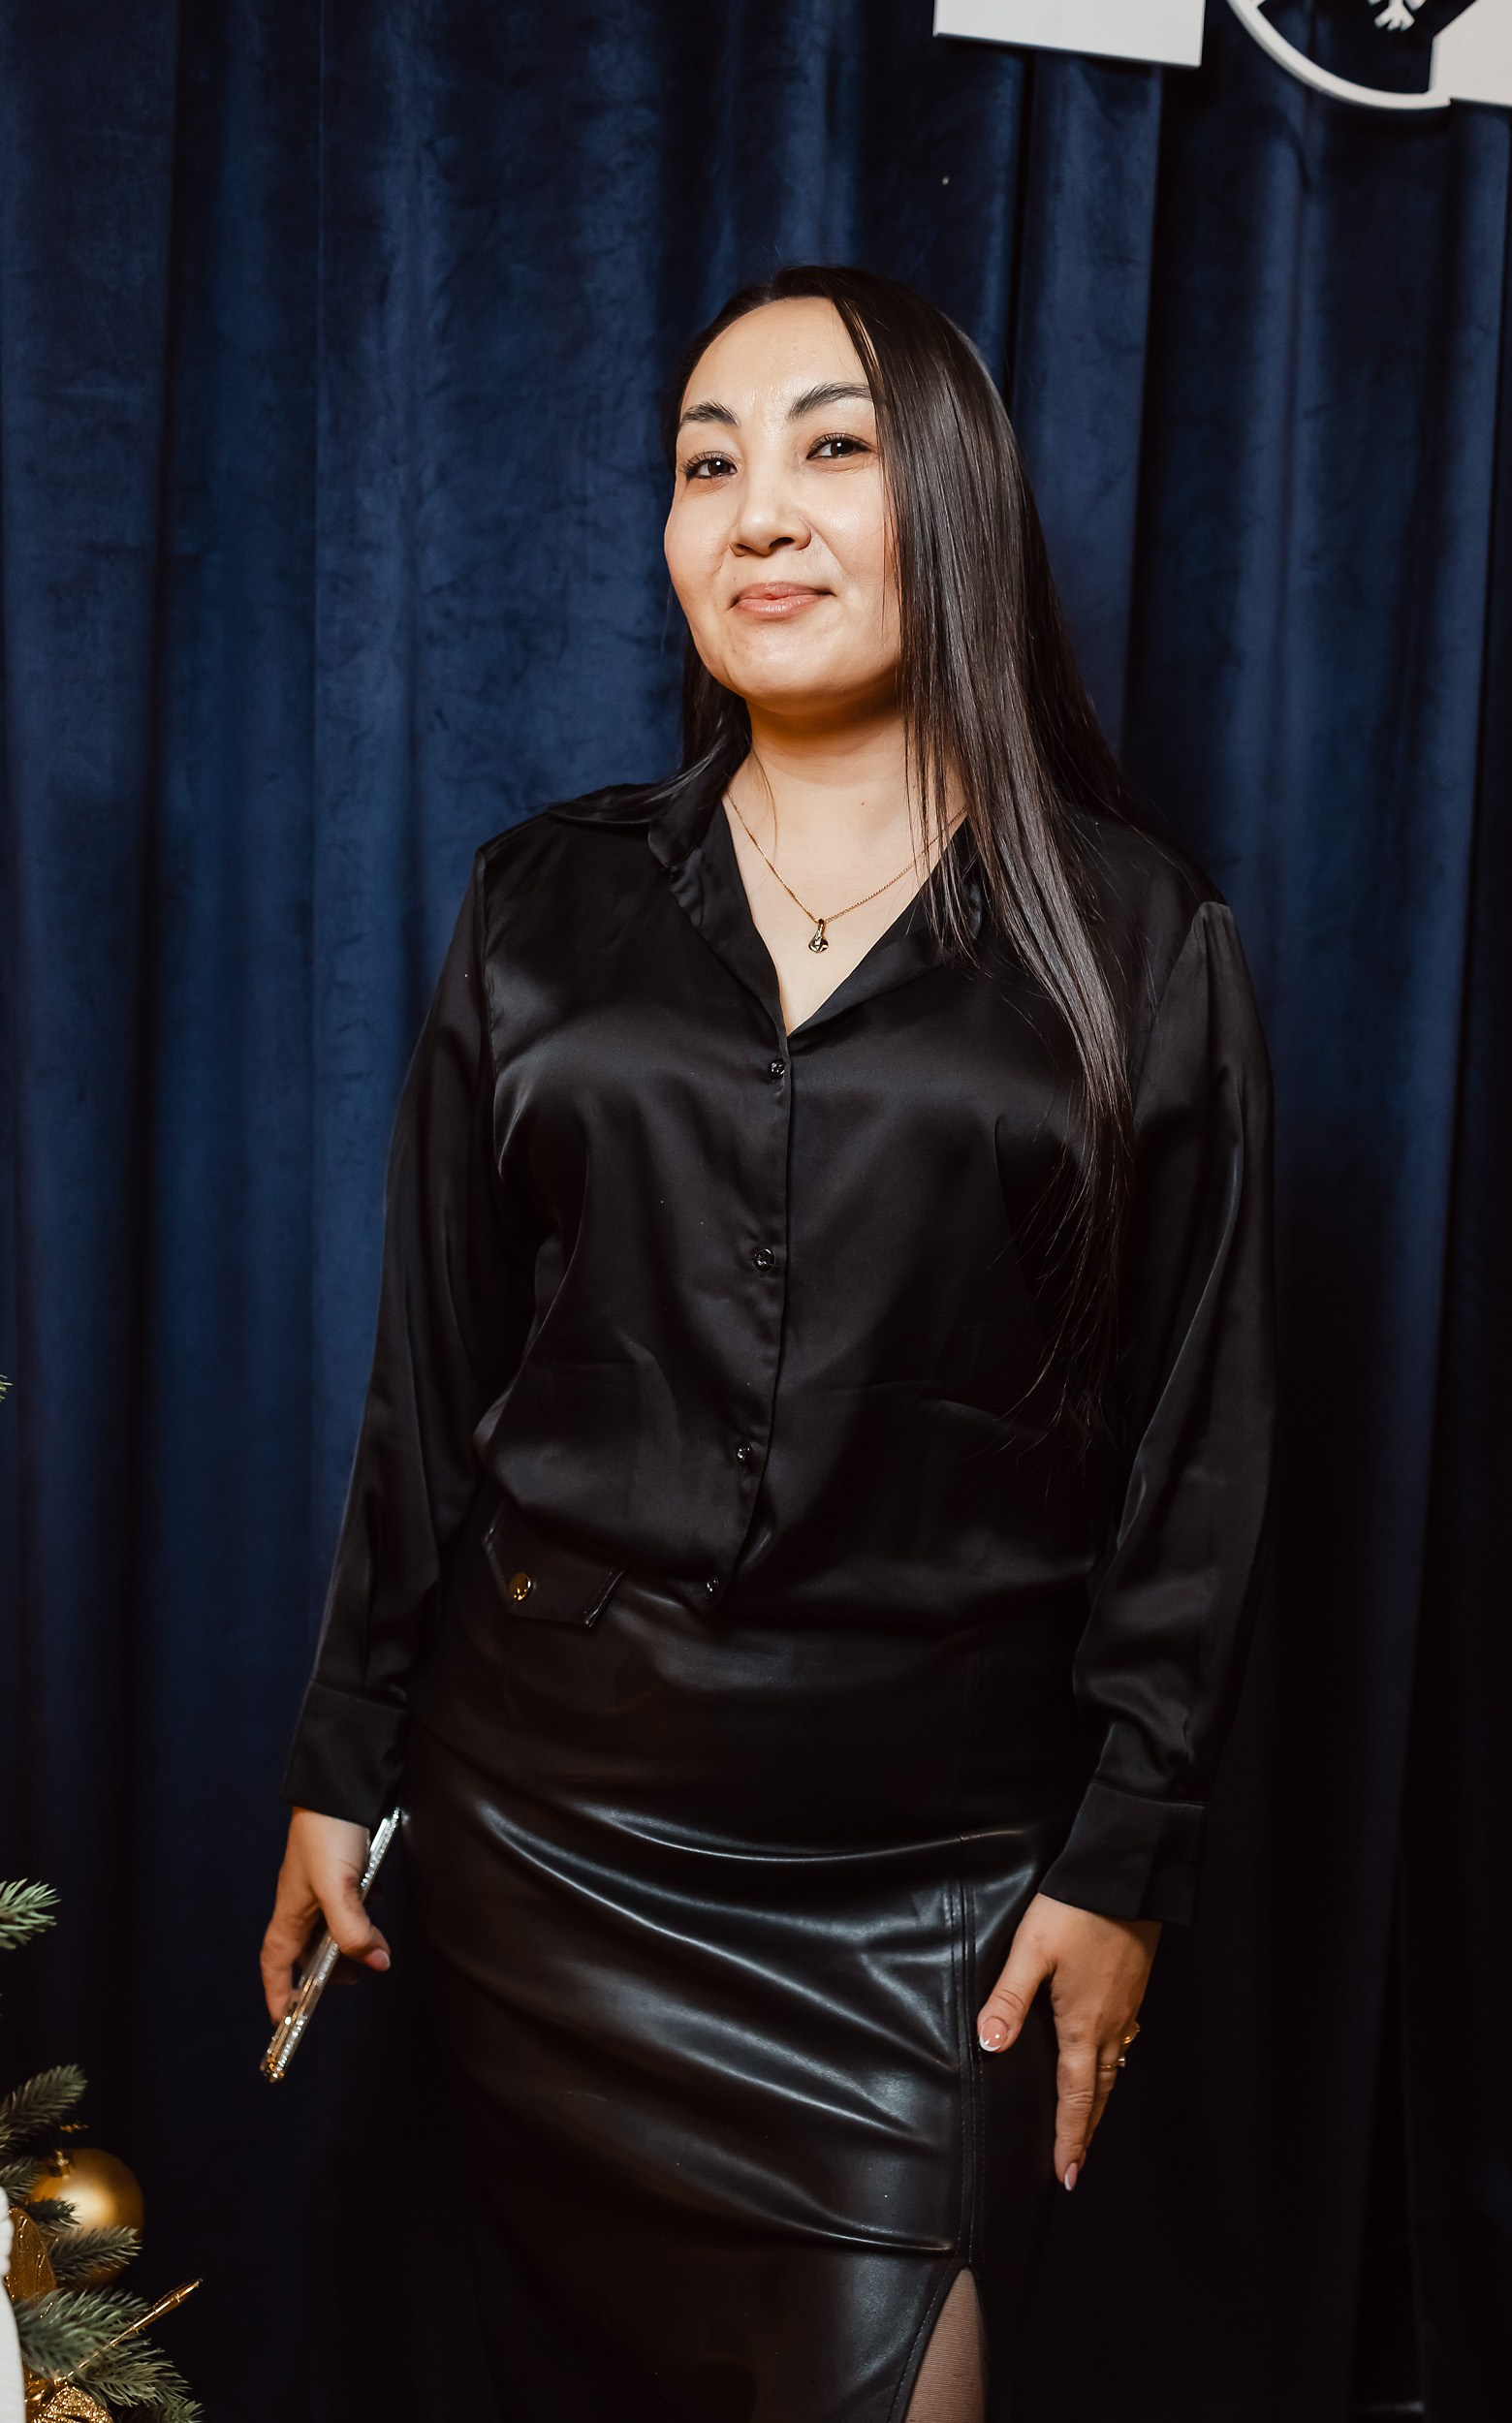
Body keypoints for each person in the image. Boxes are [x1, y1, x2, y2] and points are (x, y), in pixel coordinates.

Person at [260, 264, 1275, 2423]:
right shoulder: (540, 903)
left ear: (954, 500)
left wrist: (1127, 1849)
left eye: (832, 447)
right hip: (551, 1833)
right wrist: (345, 1753)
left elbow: (1201, 1440)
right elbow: (430, 1379)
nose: (760, 512)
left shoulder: (1138, 937)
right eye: (706, 462)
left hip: (925, 1874)